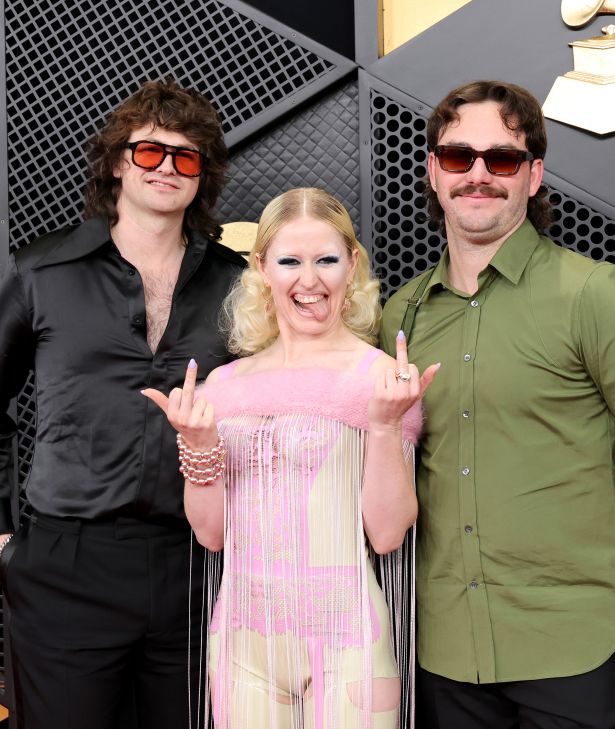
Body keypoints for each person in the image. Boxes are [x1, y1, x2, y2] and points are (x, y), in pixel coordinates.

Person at [379, 80, 615, 728]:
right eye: (457, 157)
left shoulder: (590, 294)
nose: (478, 174)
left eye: (501, 159)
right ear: (432, 171)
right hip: (444, 654)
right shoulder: (401, 314)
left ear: (532, 175)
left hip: (573, 649)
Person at [0, 79, 245, 729]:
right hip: (67, 563)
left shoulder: (239, 285)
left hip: (196, 566)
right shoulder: (42, 272)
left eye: (186, 156)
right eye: (149, 152)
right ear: (117, 161)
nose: (168, 167)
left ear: (203, 174)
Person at [142, 187, 438, 728]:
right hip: (242, 643)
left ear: (352, 266)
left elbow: (388, 532)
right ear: (262, 268)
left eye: (326, 259)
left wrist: (386, 422)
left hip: (349, 639)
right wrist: (199, 445)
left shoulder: (381, 380)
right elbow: (211, 535)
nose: (310, 280)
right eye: (290, 261)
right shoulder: (224, 387)